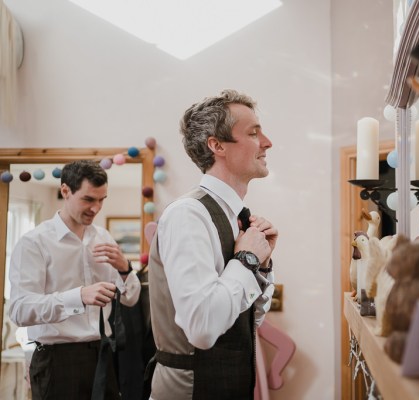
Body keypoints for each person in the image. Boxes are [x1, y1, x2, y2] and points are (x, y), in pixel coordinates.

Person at [148, 89, 277, 399]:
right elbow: (203, 329)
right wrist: (245, 260)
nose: (267, 142)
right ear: (217, 145)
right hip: (191, 388)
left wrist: (261, 265)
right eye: (253, 132)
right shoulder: (187, 215)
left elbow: (248, 321)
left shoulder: (237, 218)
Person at [9, 160, 141, 399]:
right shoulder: (34, 243)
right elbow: (19, 310)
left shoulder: (104, 237)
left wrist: (125, 268)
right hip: (57, 361)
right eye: (89, 199)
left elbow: (130, 299)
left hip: (104, 355)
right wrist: (78, 296)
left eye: (102, 200)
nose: (96, 208)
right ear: (65, 191)